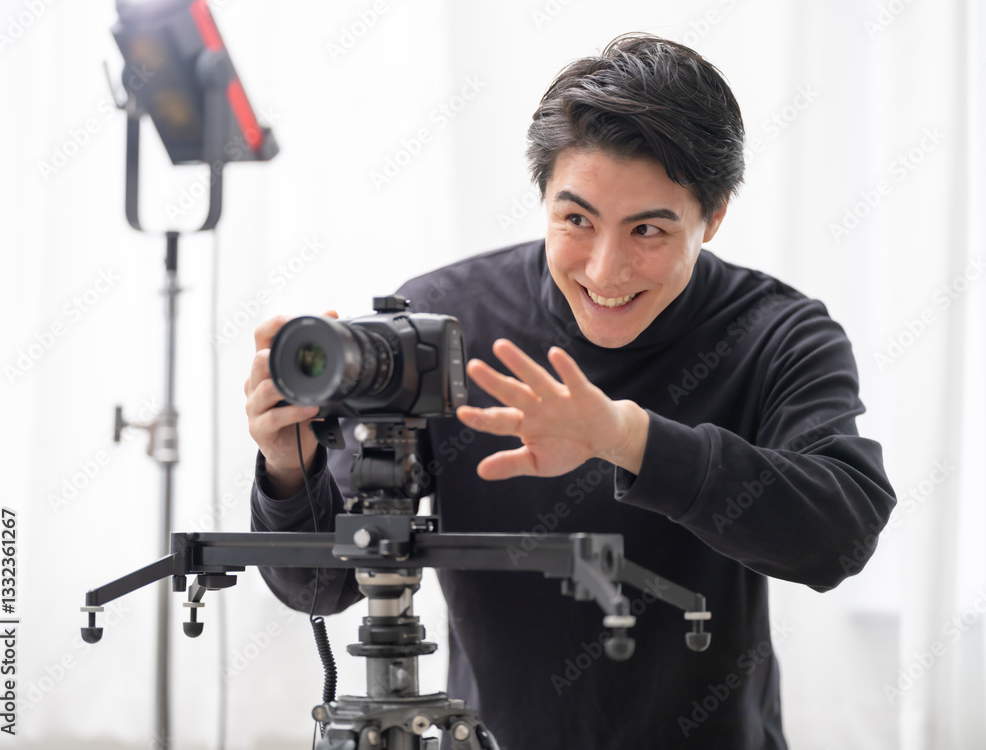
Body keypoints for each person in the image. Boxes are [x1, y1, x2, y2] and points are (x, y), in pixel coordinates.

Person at [245, 34, 895, 749]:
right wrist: (289, 466)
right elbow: (319, 587)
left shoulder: (777, 333)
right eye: (576, 220)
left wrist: (625, 437)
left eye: (647, 229)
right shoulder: (441, 327)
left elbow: (838, 539)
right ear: (543, 199)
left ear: (713, 218)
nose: (605, 271)